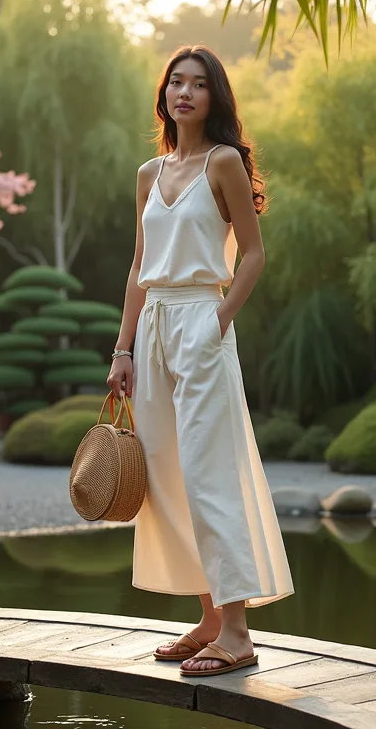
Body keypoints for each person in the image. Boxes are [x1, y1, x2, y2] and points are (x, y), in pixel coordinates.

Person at [106, 45, 294, 678]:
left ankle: (238, 632)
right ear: (164, 95)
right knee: (168, 476)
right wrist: (123, 347)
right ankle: (209, 618)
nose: (184, 92)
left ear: (215, 97)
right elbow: (138, 266)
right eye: (175, 82)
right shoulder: (147, 174)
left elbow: (255, 254)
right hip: (154, 323)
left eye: (198, 84)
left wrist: (219, 319)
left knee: (209, 473)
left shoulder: (224, 163)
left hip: (200, 321)